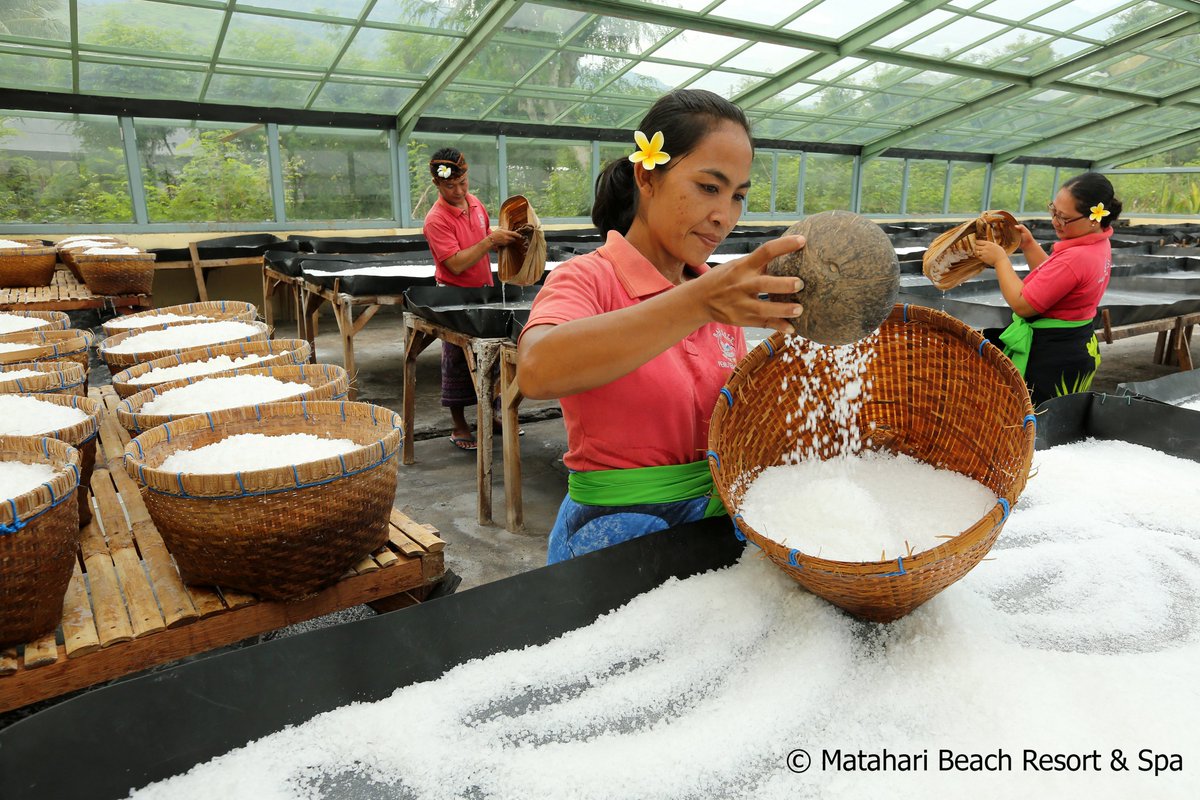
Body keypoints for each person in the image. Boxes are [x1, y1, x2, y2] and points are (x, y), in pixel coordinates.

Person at [517, 89, 806, 564]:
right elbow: (536, 369)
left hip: (713, 524)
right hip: (615, 539)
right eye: (709, 188)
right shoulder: (589, 278)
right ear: (647, 176)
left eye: (738, 197)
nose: (724, 216)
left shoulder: (715, 293)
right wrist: (697, 304)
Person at [974, 172, 1120, 406]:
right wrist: (1029, 245)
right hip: (1075, 345)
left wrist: (1000, 261)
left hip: (1051, 355)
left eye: (1063, 218)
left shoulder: (1075, 258)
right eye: (1053, 211)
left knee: (1034, 423)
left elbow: (1022, 305)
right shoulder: (1099, 243)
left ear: (1093, 218)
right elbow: (1055, 280)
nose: (1055, 221)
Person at [422, 148, 523, 450]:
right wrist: (490, 241)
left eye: (463, 182)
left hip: (484, 292)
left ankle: (493, 416)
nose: (459, 191)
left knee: (493, 360)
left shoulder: (475, 203)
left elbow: (485, 234)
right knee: (456, 362)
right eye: (450, 186)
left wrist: (506, 240)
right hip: (453, 297)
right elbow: (455, 264)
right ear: (437, 185)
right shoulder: (436, 220)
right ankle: (459, 425)